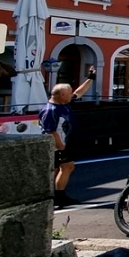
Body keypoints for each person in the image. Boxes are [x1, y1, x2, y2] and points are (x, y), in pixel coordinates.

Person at [40, 68, 96, 208]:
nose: (72, 95)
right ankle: (58, 196)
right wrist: (61, 146)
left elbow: (79, 92)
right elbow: (51, 131)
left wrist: (90, 78)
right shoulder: (50, 110)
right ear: (62, 95)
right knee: (66, 167)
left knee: (62, 168)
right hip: (57, 145)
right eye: (69, 94)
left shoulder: (64, 103)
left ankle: (56, 195)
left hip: (65, 142)